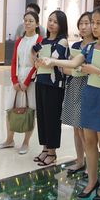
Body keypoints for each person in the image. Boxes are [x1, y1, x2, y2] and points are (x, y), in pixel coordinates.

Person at [38, 7, 100, 200]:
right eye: (93, 22)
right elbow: (73, 63)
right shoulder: (89, 47)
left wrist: (96, 71)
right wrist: (52, 61)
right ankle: (92, 181)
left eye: (98, 23)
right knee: (90, 142)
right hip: (88, 98)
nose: (94, 26)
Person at [0, 11, 42, 154]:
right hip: (17, 77)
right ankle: (9, 140)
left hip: (31, 80)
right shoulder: (19, 41)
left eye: (31, 21)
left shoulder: (39, 41)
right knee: (10, 109)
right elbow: (14, 61)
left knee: (30, 111)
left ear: (37, 24)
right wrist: (14, 80)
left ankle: (26, 143)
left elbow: (37, 63)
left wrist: (27, 82)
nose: (27, 23)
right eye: (25, 20)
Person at [33, 10, 69, 167]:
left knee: (52, 118)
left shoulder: (62, 41)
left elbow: (52, 59)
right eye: (50, 20)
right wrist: (37, 60)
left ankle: (52, 152)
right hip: (40, 81)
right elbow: (36, 58)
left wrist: (41, 60)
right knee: (42, 117)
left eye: (55, 22)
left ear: (61, 25)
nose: (51, 24)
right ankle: (45, 148)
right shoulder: (44, 40)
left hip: (54, 85)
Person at [61, 12, 95, 175]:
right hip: (74, 86)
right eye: (81, 23)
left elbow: (95, 71)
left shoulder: (97, 46)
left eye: (87, 23)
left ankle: (90, 164)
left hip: (89, 88)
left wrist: (79, 69)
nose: (83, 27)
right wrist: (78, 69)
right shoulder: (75, 46)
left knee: (84, 130)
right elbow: (66, 68)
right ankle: (80, 161)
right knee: (76, 127)